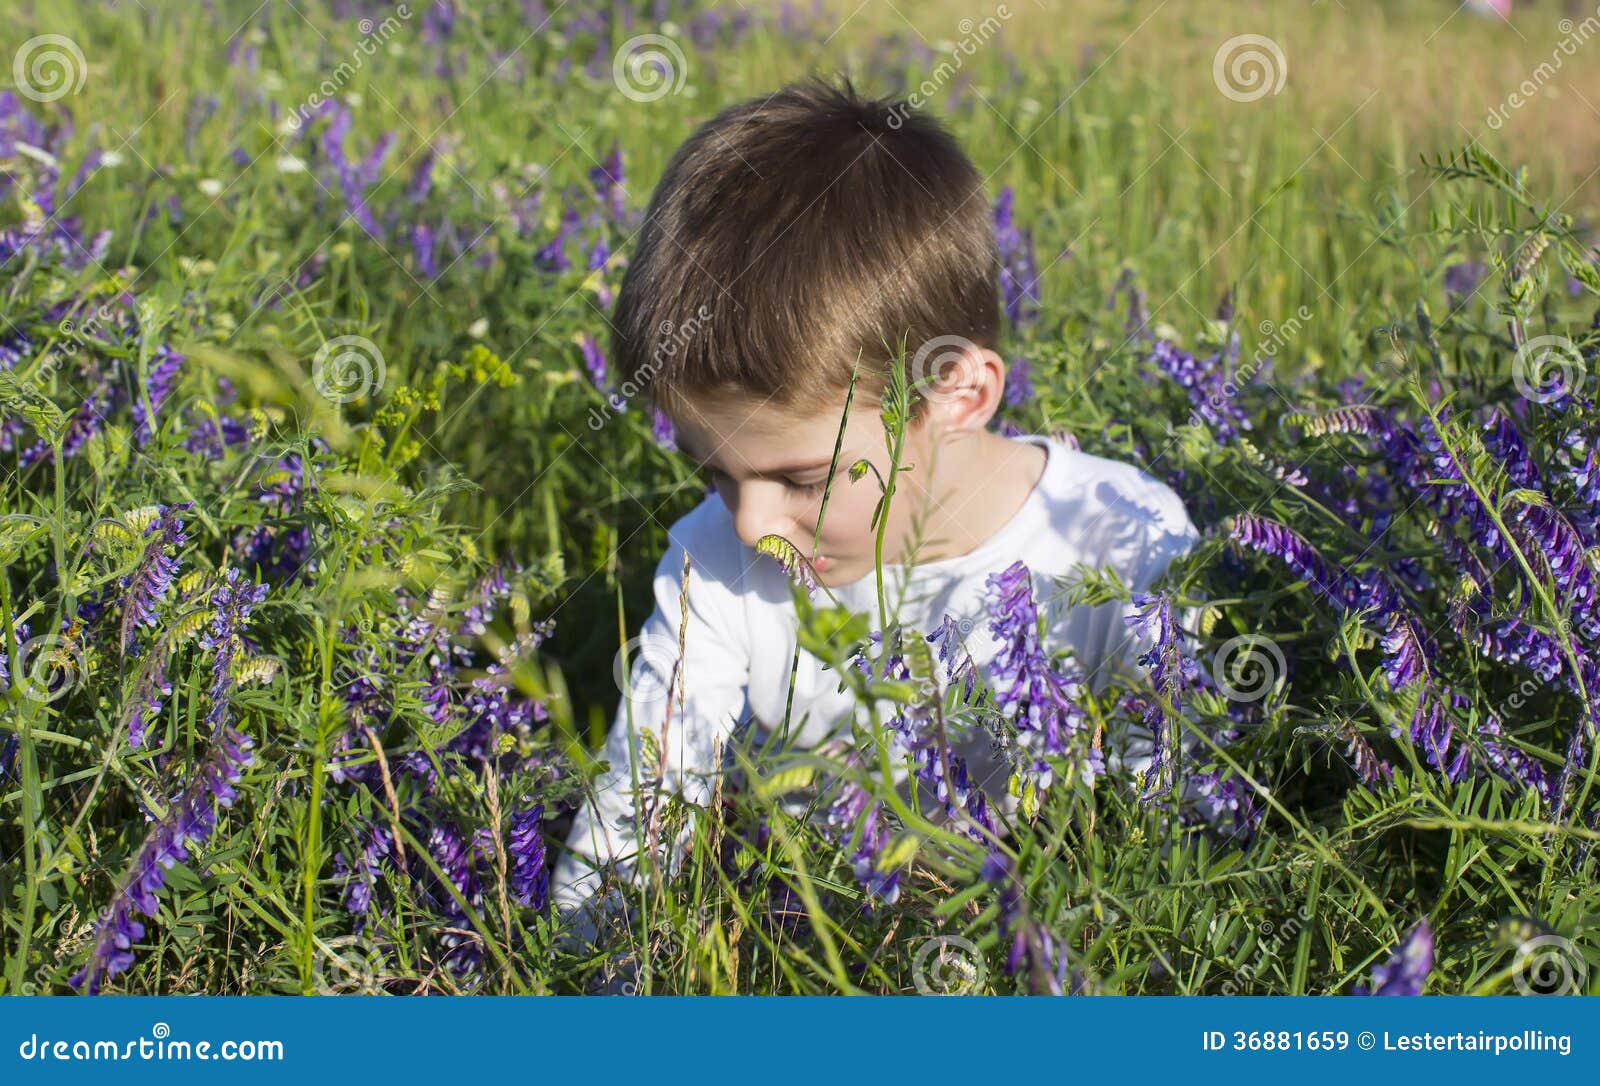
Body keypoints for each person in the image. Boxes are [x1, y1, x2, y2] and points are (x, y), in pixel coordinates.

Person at [552, 76, 1198, 954]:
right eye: (713, 474)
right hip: (807, 924)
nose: (749, 525)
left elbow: (1175, 821)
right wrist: (588, 967)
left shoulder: (1118, 536)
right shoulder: (711, 564)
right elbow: (638, 806)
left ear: (958, 394)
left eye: (804, 480)